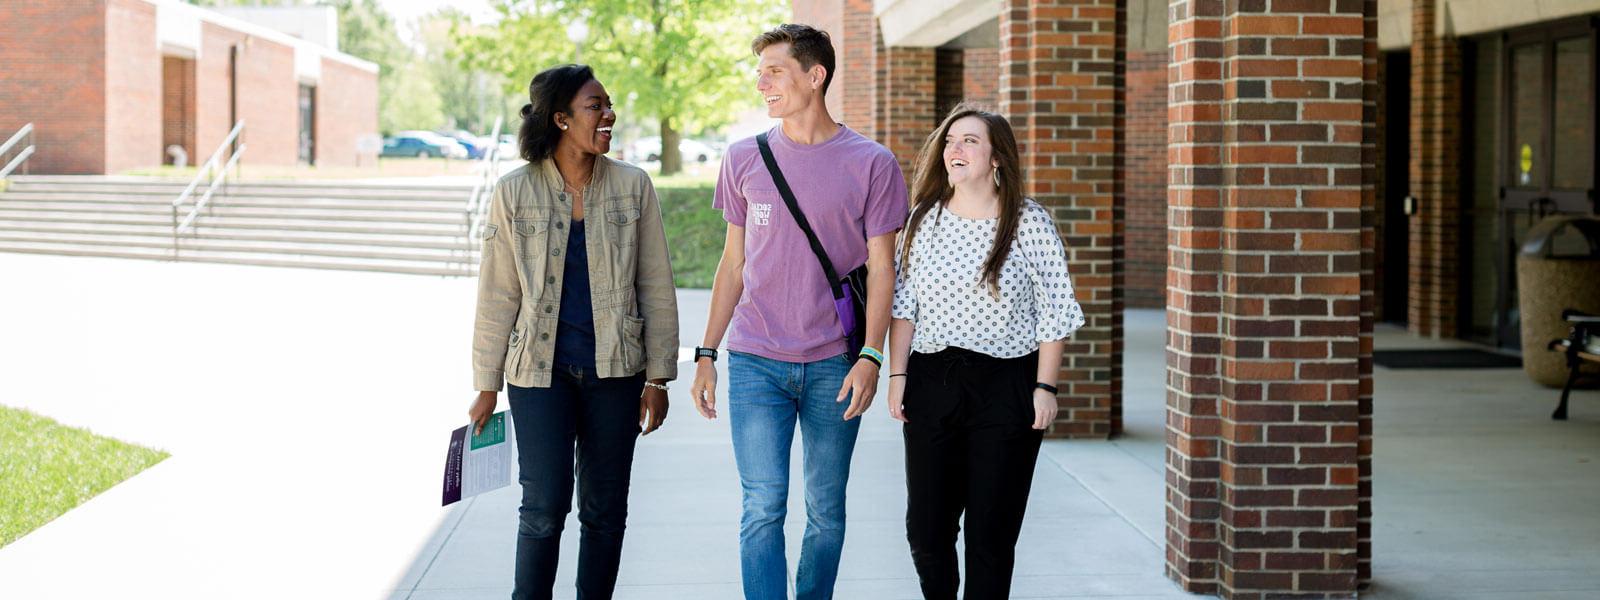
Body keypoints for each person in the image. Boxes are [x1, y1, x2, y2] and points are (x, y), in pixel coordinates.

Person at [687, 24, 908, 600]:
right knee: (762, 507)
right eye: (759, 71)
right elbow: (732, 263)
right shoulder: (743, 158)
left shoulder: (872, 163)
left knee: (825, 509)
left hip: (836, 363)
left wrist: (871, 355)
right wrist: (707, 353)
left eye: (775, 70)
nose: (762, 82)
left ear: (816, 75)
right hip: (756, 360)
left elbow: (884, 268)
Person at [469, 64, 679, 600]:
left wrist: (658, 377)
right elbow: (498, 292)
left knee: (606, 510)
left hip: (617, 371)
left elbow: (656, 282)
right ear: (560, 119)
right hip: (540, 376)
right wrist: (486, 382)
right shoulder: (514, 192)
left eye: (609, 104)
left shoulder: (634, 186)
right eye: (595, 106)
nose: (608, 115)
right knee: (543, 506)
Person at [885, 104, 1086, 600]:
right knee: (927, 530)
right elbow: (904, 304)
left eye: (971, 140)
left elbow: (1055, 311)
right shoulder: (921, 221)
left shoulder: (1029, 222)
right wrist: (897, 376)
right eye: (951, 140)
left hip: (1007, 387)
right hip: (933, 381)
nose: (956, 149)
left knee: (991, 534)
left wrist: (1045, 387)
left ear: (997, 157)